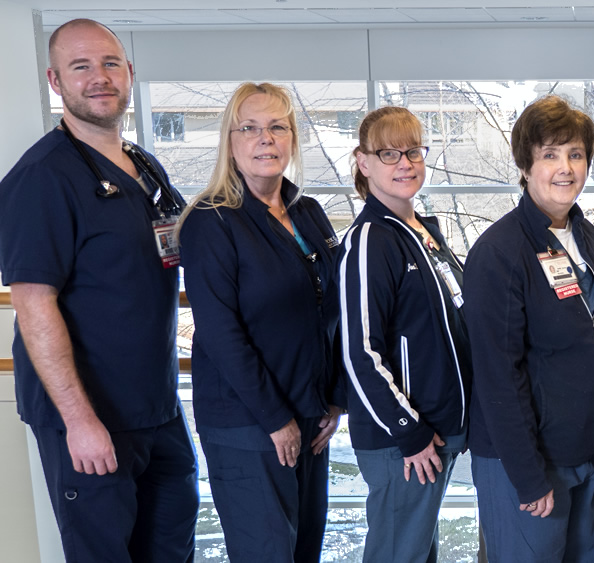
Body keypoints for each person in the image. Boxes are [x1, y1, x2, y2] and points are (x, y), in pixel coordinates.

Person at [0, 19, 198, 562]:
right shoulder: (41, 178)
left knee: (172, 546)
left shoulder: (144, 166)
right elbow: (33, 305)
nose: (99, 78)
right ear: (55, 80)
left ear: (129, 73)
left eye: (110, 63)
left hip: (156, 409)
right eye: (80, 66)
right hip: (89, 418)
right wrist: (79, 422)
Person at [177, 82, 344, 562]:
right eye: (249, 128)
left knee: (305, 550)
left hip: (311, 418)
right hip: (250, 425)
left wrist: (333, 397)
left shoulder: (308, 212)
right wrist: (276, 419)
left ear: (292, 138)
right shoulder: (212, 222)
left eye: (277, 127)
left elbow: (330, 310)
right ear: (230, 142)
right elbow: (222, 333)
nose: (264, 138)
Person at [463, 95, 594, 562]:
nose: (565, 168)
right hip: (527, 462)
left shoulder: (590, 240)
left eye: (575, 154)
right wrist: (527, 474)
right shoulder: (499, 253)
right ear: (525, 165)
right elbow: (498, 374)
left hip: (590, 452)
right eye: (550, 154)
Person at [338, 106, 472, 563]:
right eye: (389, 153)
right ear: (363, 162)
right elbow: (360, 352)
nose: (405, 164)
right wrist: (408, 431)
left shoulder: (422, 231)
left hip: (436, 432)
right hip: (406, 440)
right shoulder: (371, 239)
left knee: (416, 553)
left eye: (413, 151)